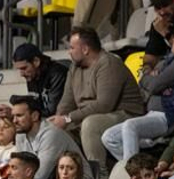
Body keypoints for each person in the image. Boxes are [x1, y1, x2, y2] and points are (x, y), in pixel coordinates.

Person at [100, 23, 174, 164]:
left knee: (130, 126)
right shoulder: (170, 60)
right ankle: (139, 168)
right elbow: (150, 86)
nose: (173, 41)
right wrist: (154, 79)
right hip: (151, 114)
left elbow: (154, 85)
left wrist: (145, 75)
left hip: (169, 117)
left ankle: (134, 174)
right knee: (109, 137)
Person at [53, 28, 146, 165]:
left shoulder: (108, 64)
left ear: (85, 49)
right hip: (88, 114)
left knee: (91, 124)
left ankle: (99, 174)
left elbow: (104, 105)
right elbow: (67, 100)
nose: (69, 52)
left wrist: (68, 118)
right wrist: (59, 118)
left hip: (124, 113)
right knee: (52, 129)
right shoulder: (74, 68)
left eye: (72, 47)